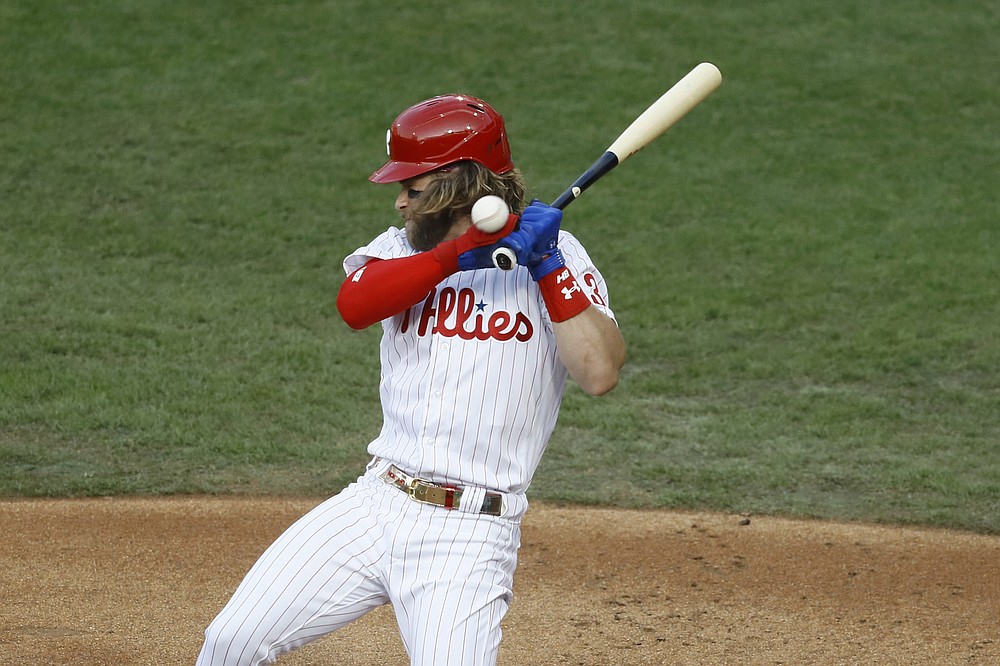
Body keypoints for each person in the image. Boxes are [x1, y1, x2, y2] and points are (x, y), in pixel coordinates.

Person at [197, 93, 626, 666]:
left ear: (455, 184)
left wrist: (546, 266)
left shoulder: (560, 256)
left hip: (470, 537)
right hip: (374, 505)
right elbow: (356, 304)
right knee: (233, 641)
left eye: (412, 189)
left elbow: (600, 372)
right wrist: (460, 254)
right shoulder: (400, 249)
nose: (400, 202)